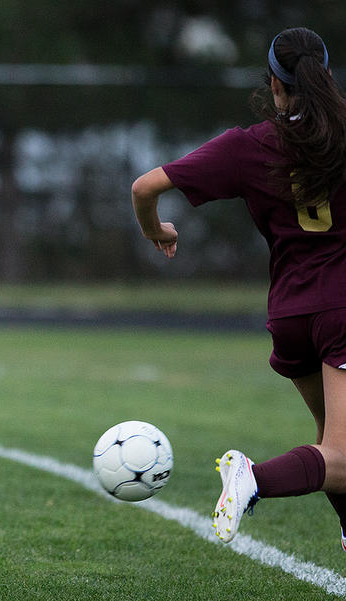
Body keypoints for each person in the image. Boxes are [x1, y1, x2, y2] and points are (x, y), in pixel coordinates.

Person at [131, 27, 346, 549]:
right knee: (342, 456)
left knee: (330, 446)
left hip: (290, 314)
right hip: (341, 309)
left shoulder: (247, 146)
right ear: (327, 75)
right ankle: (252, 477)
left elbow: (144, 187)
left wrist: (156, 230)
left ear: (273, 84)